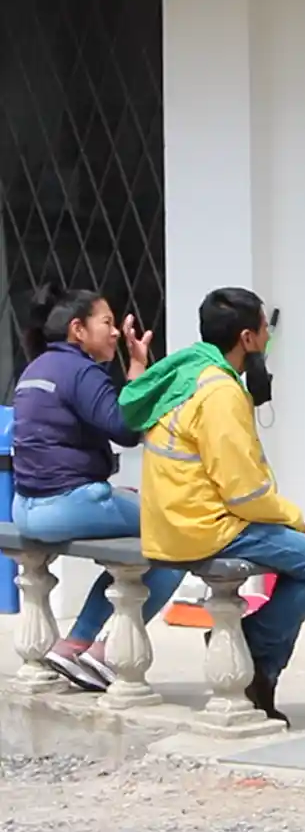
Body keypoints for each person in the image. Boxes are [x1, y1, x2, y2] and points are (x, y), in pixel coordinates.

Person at [118, 287, 305, 725]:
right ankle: (251, 643)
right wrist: (295, 520)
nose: (267, 339)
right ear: (247, 337)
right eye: (265, 330)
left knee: (301, 565)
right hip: (207, 526)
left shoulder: (188, 372)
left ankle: (262, 677)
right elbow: (243, 493)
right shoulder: (220, 393)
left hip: (173, 521)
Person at [11, 283, 185, 692]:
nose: (114, 332)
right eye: (106, 322)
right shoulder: (80, 370)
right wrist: (138, 366)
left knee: (136, 516)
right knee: (179, 536)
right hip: (67, 506)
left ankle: (74, 644)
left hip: (26, 507)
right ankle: (99, 649)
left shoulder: (36, 368)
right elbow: (126, 429)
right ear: (77, 329)